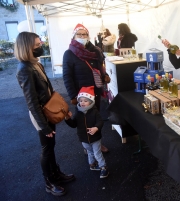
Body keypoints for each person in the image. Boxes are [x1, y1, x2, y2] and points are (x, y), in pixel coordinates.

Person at [15, 32, 75, 196]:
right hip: (40, 115)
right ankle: (49, 182)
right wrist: (44, 126)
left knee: (51, 145)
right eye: (37, 45)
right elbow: (32, 102)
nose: (41, 46)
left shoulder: (35, 64)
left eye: (40, 43)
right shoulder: (24, 69)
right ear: (27, 47)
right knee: (46, 148)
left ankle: (56, 174)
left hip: (48, 111)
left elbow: (48, 89)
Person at [63, 23, 109, 153]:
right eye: (79, 34)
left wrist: (105, 75)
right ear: (74, 36)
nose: (82, 36)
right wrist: (72, 96)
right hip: (82, 95)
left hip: (95, 91)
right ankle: (88, 145)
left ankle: (98, 144)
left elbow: (100, 68)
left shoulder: (94, 51)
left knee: (96, 119)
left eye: (85, 34)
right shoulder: (69, 54)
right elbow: (67, 76)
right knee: (84, 122)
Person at [65, 86, 109, 179]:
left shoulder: (94, 111)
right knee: (90, 152)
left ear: (91, 101)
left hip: (95, 137)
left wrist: (96, 128)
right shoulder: (78, 112)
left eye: (85, 100)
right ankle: (92, 165)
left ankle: (103, 167)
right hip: (84, 139)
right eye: (80, 101)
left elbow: (100, 121)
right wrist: (67, 119)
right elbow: (73, 124)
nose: (82, 103)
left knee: (97, 153)